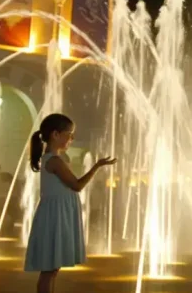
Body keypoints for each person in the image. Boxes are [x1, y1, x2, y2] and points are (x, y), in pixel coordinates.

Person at [23, 114, 116, 293]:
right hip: (56, 217)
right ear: (55, 134)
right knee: (49, 270)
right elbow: (77, 185)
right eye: (69, 134)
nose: (72, 139)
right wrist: (97, 166)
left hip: (56, 214)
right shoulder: (54, 161)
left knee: (52, 270)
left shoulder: (54, 159)